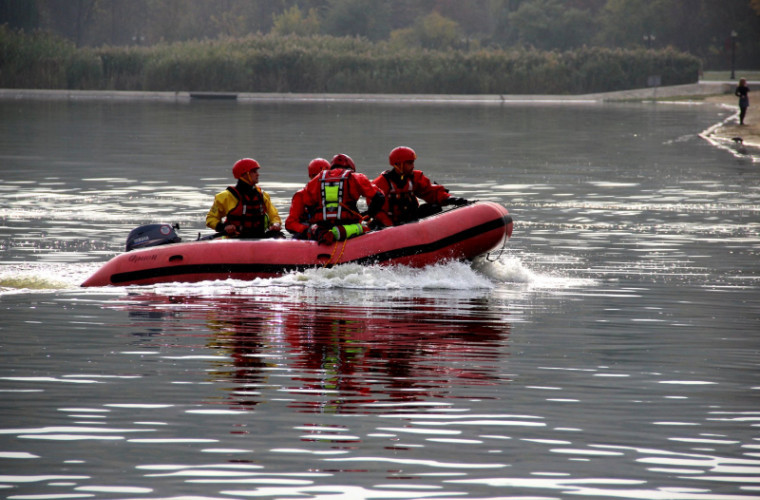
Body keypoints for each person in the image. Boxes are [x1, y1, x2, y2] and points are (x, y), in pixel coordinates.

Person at [300, 153, 388, 244]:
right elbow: (379, 197)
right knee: (373, 227)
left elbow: (307, 203)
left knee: (314, 228)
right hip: (347, 227)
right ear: (351, 168)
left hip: (323, 229)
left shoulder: (316, 180)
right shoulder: (355, 177)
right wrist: (369, 214)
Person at [373, 146, 469, 226]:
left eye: (413, 162)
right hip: (391, 223)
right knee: (377, 223)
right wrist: (390, 227)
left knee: (434, 208)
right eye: (410, 163)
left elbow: (432, 192)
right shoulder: (381, 183)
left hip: (411, 219)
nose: (413, 166)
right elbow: (378, 210)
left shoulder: (415, 178)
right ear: (399, 164)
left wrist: (451, 199)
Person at [206, 158, 283, 238]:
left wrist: (275, 224)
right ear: (244, 174)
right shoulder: (225, 197)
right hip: (235, 238)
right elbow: (211, 218)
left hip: (260, 237)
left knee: (279, 236)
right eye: (254, 171)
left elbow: (274, 216)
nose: (258, 174)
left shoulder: (263, 196)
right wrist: (224, 227)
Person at [285, 157, 330, 239]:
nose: (322, 181)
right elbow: (290, 223)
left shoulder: (332, 195)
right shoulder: (301, 196)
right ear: (311, 176)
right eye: (319, 177)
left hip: (326, 232)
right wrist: (308, 229)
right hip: (307, 233)